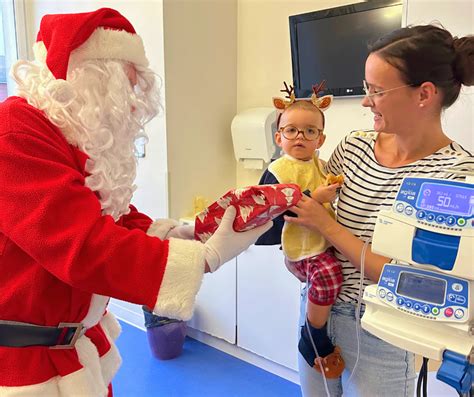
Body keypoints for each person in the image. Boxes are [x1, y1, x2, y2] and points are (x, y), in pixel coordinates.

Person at [0, 8, 271, 396]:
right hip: (24, 364)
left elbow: (114, 216)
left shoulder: (71, 137)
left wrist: (186, 232)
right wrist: (206, 257)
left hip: (73, 350)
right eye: (121, 88)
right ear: (84, 80)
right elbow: (83, 245)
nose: (130, 106)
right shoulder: (16, 131)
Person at [285, 24, 474, 396]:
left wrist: (326, 226)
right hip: (318, 309)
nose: (365, 101)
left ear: (424, 94)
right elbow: (310, 216)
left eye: (377, 90)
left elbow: (416, 282)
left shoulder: (457, 176)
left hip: (384, 336)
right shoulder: (352, 148)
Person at [256, 82, 345, 378]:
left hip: (320, 240)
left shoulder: (319, 164)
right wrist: (314, 198)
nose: (300, 137)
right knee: (330, 274)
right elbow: (272, 207)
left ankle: (314, 326)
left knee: (331, 273)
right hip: (301, 246)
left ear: (320, 139)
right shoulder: (280, 169)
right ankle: (314, 333)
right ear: (279, 137)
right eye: (291, 130)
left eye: (309, 131)